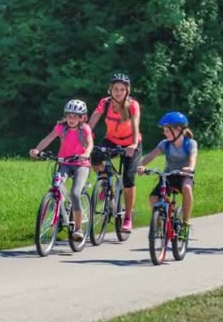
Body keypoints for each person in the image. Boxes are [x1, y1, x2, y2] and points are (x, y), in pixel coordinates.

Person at [30, 99, 94, 241]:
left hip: (81, 164)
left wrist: (86, 153)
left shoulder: (84, 129)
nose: (71, 119)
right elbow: (48, 139)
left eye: (75, 116)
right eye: (69, 116)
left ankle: (78, 229)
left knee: (75, 193)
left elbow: (90, 143)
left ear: (82, 117)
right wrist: (37, 150)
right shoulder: (61, 127)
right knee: (56, 185)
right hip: (64, 162)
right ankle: (57, 212)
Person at [88, 73, 142, 233]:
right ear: (110, 89)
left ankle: (127, 218)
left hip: (131, 142)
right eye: (115, 89)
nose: (118, 92)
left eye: (122, 89)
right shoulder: (105, 103)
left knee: (128, 179)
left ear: (127, 91)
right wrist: (86, 136)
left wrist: (132, 144)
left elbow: (135, 123)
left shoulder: (132, 105)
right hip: (111, 140)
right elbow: (93, 119)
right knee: (95, 157)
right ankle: (105, 185)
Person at [137, 111, 197, 239]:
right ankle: (159, 223)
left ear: (178, 129)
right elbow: (151, 155)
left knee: (187, 188)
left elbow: (193, 157)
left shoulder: (190, 143)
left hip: (184, 175)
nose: (164, 133)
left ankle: (185, 224)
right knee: (153, 198)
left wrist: (190, 167)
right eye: (164, 130)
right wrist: (141, 165)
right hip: (169, 175)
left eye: (167, 130)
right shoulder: (165, 144)